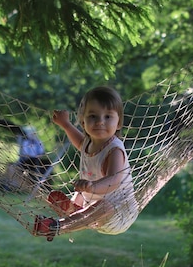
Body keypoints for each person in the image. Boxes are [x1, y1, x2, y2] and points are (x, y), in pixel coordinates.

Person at [34, 86, 138, 240]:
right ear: (83, 122)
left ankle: (56, 226)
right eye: (93, 116)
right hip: (93, 207)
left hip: (119, 213)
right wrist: (65, 124)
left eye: (108, 117)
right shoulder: (89, 144)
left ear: (118, 123)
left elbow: (114, 180)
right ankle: (74, 210)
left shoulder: (114, 150)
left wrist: (93, 186)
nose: (100, 122)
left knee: (98, 200)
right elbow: (81, 143)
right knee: (79, 190)